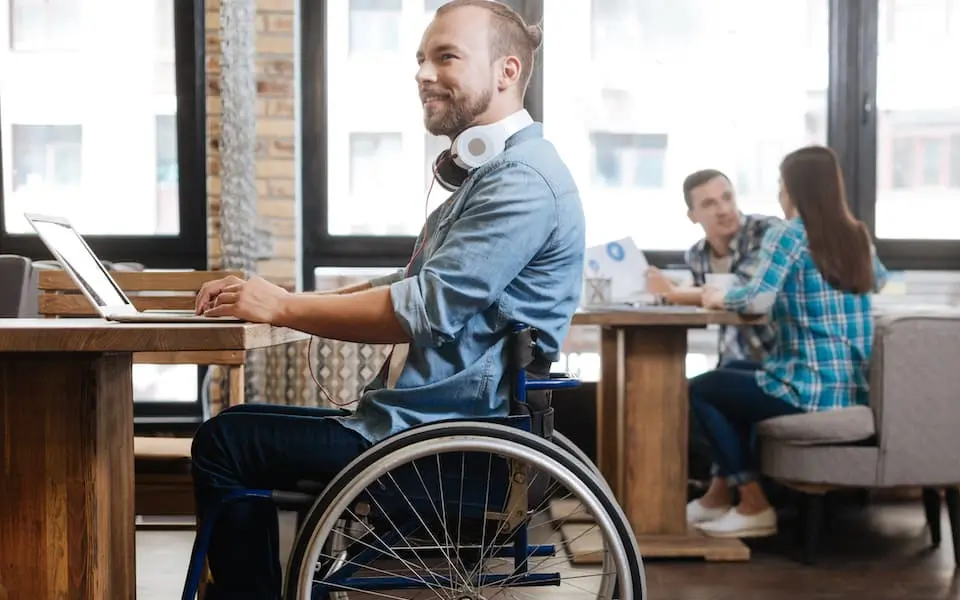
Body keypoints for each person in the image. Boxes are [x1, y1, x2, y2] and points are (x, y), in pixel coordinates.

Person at [187, 2, 585, 597]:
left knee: (225, 442)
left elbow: (427, 307)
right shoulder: (495, 174)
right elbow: (412, 284)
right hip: (424, 423)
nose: (424, 73)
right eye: (421, 59)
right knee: (238, 427)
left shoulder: (521, 183)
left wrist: (284, 310)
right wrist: (281, 297)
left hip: (437, 438)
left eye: (446, 56)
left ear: (507, 72)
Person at [684, 145, 889, 539]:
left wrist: (714, 296)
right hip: (849, 387)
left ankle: (754, 503)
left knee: (703, 390)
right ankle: (719, 494)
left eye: (781, 183)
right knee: (732, 372)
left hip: (806, 390)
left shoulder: (789, 234)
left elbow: (755, 296)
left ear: (792, 190)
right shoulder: (855, 235)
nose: (779, 192)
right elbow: (880, 281)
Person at [645, 169, 783, 366]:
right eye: (709, 204)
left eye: (727, 197)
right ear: (692, 216)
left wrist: (674, 292)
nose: (724, 210)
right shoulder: (697, 255)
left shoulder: (766, 231)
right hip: (736, 360)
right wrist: (667, 289)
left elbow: (742, 290)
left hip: (780, 362)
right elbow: (708, 302)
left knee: (694, 390)